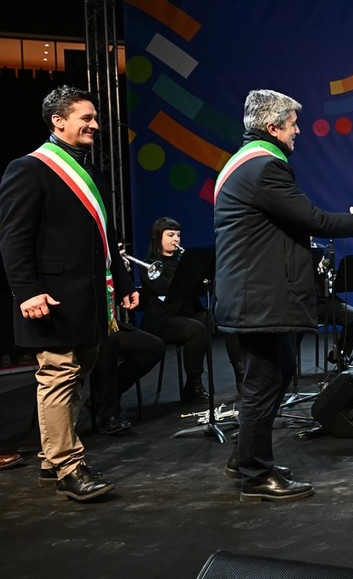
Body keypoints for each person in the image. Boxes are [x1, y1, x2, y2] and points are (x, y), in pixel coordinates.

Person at [214, 89, 353, 503]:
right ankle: (255, 476)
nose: (298, 131)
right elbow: (311, 218)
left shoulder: (245, 162)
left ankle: (244, 456)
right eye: (292, 124)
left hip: (254, 295)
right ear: (272, 128)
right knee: (263, 382)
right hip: (258, 298)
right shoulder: (265, 167)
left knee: (281, 369)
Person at [0, 85, 139, 501]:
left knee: (78, 374)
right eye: (86, 118)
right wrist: (27, 291)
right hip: (52, 298)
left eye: (95, 118)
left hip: (92, 298)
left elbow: (106, 235)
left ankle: (50, 458)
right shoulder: (29, 169)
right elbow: (13, 238)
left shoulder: (90, 171)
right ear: (58, 121)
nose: (95, 125)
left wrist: (124, 283)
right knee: (58, 375)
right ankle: (68, 466)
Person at [138, 217, 244, 400]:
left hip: (187, 313)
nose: (176, 239)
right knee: (196, 329)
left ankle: (241, 373)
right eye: (170, 235)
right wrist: (185, 270)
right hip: (162, 320)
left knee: (227, 319)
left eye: (178, 235)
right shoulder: (150, 265)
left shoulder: (184, 260)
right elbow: (164, 290)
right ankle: (193, 384)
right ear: (157, 237)